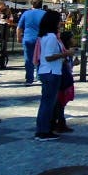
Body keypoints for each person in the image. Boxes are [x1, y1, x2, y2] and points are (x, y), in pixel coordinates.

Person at [34, 10, 71, 141]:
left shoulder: (46, 36)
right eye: (58, 20)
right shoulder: (50, 37)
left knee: (47, 102)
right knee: (48, 103)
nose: (60, 23)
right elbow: (49, 57)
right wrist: (65, 54)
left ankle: (44, 128)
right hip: (51, 72)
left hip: (49, 72)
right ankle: (43, 131)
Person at [16, 0, 45, 85]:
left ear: (32, 5)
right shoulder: (45, 14)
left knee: (28, 59)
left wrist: (18, 38)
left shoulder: (26, 13)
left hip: (28, 38)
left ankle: (29, 79)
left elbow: (19, 27)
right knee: (40, 58)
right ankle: (39, 77)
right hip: (41, 39)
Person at [52, 30, 76, 133]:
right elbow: (63, 64)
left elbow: (68, 65)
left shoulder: (68, 51)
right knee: (60, 102)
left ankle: (58, 122)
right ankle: (58, 123)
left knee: (61, 102)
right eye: (72, 38)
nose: (73, 40)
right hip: (63, 79)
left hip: (66, 77)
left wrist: (74, 63)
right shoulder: (64, 51)